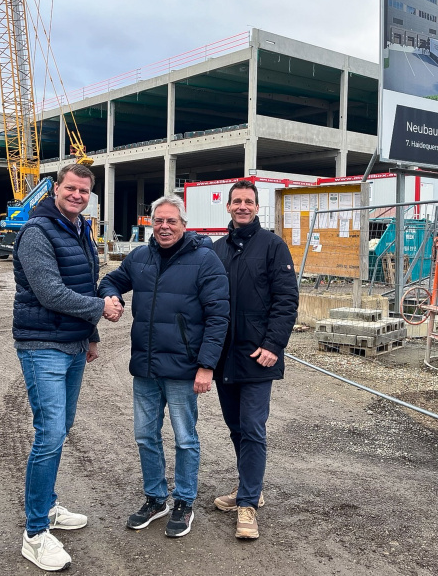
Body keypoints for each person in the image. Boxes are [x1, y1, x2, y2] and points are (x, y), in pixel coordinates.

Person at [98, 195, 229, 538]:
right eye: (159, 221)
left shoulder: (205, 260)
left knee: (185, 439)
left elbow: (218, 317)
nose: (164, 227)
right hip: (145, 367)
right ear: (151, 224)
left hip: (184, 370)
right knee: (145, 436)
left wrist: (206, 366)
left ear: (184, 225)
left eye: (171, 221)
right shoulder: (140, 257)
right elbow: (111, 280)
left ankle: (185, 502)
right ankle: (156, 499)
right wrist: (111, 297)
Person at [13, 163, 122, 571]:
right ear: (54, 189)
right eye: (70, 188)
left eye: (84, 191)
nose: (77, 195)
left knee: (61, 431)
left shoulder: (79, 231)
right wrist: (101, 307)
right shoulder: (37, 232)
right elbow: (49, 291)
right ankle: (35, 531)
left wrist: (90, 335)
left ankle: (48, 505)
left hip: (72, 344)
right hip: (43, 345)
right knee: (50, 433)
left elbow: (81, 283)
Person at [212, 180, 298, 540]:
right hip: (224, 357)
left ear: (256, 207)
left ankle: (247, 505)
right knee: (235, 426)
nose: (243, 206)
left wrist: (273, 345)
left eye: (249, 201)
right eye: (237, 201)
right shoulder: (216, 249)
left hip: (258, 357)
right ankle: (251, 485)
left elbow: (286, 300)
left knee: (252, 427)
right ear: (229, 207)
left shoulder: (274, 247)